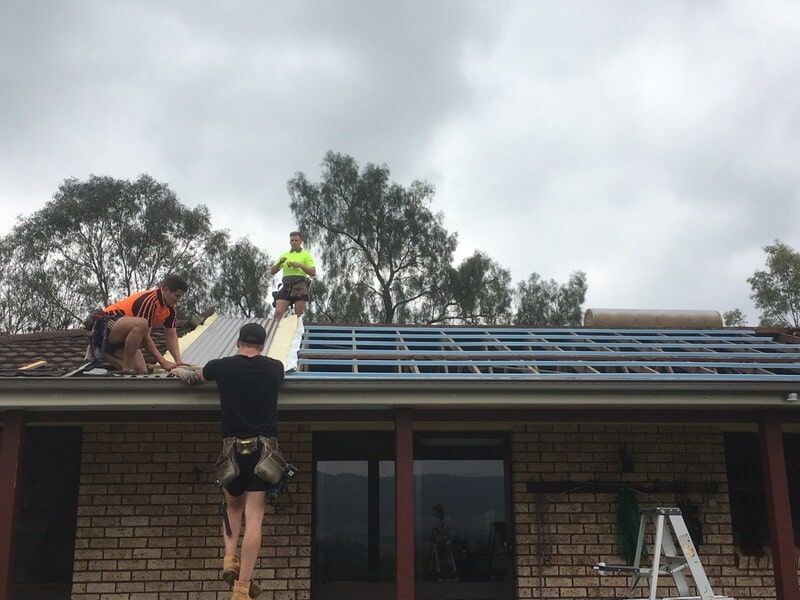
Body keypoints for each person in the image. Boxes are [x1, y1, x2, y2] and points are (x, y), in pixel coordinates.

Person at [172, 323, 285, 600]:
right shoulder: (274, 367)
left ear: (237, 342)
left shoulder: (220, 367)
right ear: (262, 344)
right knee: (254, 517)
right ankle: (243, 587)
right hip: (263, 451)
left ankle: (229, 557)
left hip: (232, 450)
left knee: (233, 506)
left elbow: (193, 378)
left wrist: (177, 370)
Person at [96, 274, 187, 373]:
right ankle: (127, 368)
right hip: (105, 326)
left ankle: (105, 354)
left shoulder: (171, 310)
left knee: (141, 372)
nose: (178, 300)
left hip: (121, 339)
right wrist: (163, 361)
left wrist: (178, 361)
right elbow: (145, 337)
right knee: (142, 324)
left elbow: (171, 335)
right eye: (176, 295)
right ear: (165, 290)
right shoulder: (151, 300)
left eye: (180, 297)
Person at [270, 231, 316, 319]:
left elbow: (313, 272)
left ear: (301, 241)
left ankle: (297, 332)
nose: (294, 242)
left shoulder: (306, 255)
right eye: (292, 240)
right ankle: (277, 331)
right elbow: (272, 271)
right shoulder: (284, 255)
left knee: (298, 315)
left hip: (299, 285)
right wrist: (280, 262)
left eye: (296, 240)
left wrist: (300, 265)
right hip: (286, 285)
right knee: (278, 313)